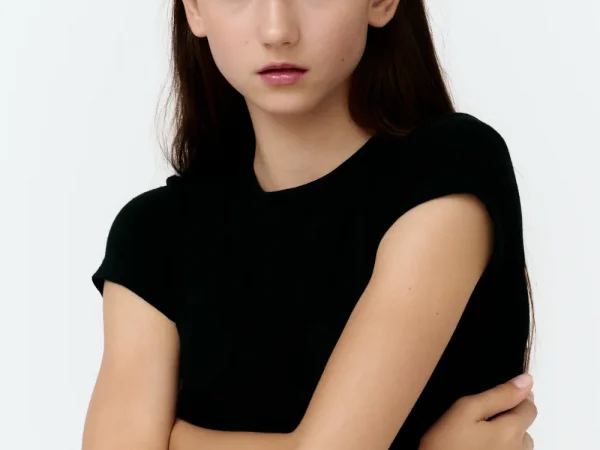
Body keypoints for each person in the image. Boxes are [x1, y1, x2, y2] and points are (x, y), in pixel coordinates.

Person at [83, 0, 537, 449]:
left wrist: (174, 441)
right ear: (195, 10)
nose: (278, 30)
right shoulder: (154, 235)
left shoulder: (449, 168)